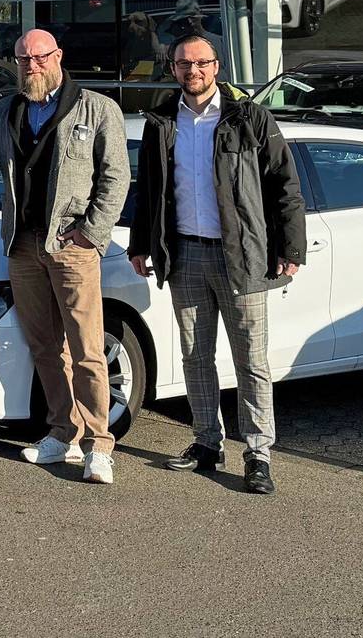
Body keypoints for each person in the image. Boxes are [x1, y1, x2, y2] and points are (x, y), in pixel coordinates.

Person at [130, 34, 306, 495]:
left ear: (217, 66)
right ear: (172, 69)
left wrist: (292, 248)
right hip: (185, 252)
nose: (194, 71)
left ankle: (258, 453)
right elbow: (148, 189)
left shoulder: (249, 118)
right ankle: (207, 441)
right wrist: (140, 244)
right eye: (185, 63)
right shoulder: (163, 121)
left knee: (251, 359)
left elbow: (284, 184)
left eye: (202, 63)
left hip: (242, 257)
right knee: (195, 355)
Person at [0, 29, 130, 484]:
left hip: (71, 246)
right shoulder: (7, 109)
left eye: (38, 57)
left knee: (88, 349)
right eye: (22, 59)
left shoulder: (96, 109)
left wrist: (90, 234)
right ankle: (63, 435)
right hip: (22, 245)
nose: (30, 65)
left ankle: (99, 445)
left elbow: (116, 179)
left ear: (57, 57)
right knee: (45, 347)